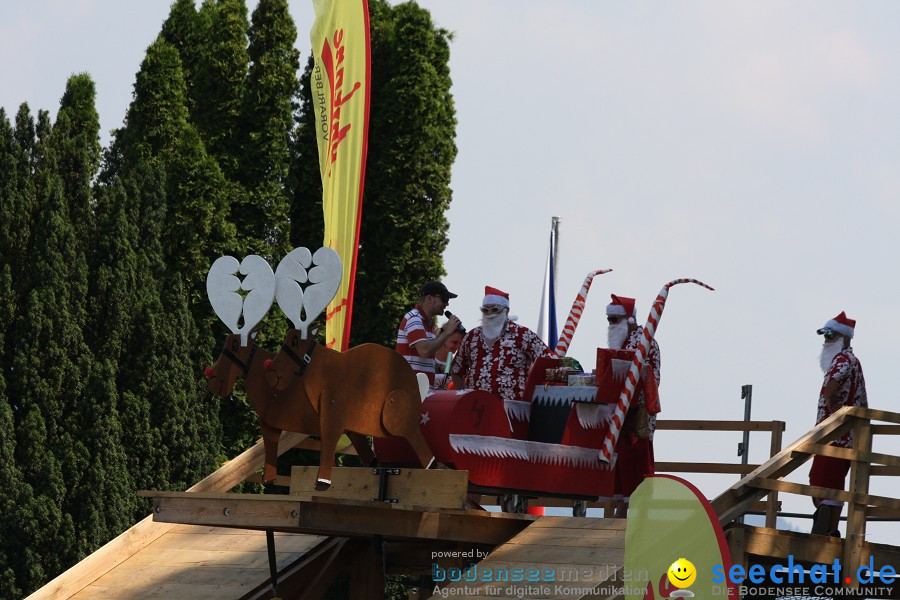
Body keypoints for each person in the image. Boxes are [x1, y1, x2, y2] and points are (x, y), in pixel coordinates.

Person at [809, 311, 867, 537]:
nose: (826, 341)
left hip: (834, 435)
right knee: (830, 482)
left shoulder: (842, 360)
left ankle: (827, 527)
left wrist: (832, 407)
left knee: (822, 480)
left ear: (844, 338)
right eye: (825, 336)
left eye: (830, 336)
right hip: (847, 437)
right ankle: (829, 527)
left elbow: (832, 385)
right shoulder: (854, 362)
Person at [606, 294, 661, 518]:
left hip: (637, 411)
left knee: (637, 459)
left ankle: (636, 511)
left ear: (628, 320)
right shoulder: (622, 341)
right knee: (619, 459)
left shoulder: (646, 341)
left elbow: (652, 378)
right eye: (608, 320)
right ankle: (620, 507)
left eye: (613, 320)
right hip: (619, 410)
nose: (610, 325)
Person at [450, 286, 553, 401]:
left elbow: (550, 361)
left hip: (512, 411)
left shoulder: (523, 335)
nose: (489, 314)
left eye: (495, 309)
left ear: (506, 311)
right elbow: (456, 370)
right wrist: (464, 398)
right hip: (477, 410)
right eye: (485, 310)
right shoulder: (472, 337)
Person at [396, 281, 462, 385]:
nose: (447, 304)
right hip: (410, 388)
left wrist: (440, 368)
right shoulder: (414, 319)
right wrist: (447, 332)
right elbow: (425, 351)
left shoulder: (428, 323)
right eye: (444, 299)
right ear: (429, 299)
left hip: (419, 388)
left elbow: (424, 359)